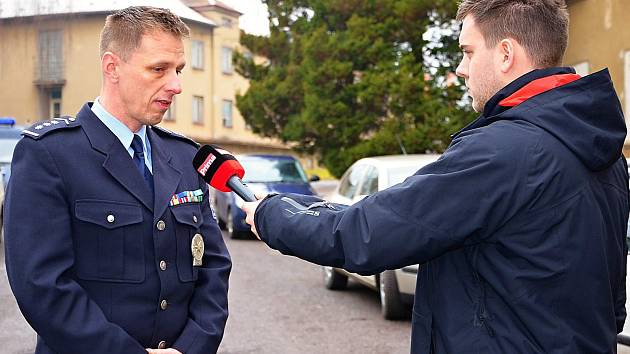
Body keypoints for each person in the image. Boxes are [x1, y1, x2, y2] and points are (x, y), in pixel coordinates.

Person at [242, 0, 629, 352]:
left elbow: (366, 234)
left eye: (467, 52)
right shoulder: (606, 155)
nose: (460, 68)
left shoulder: (504, 152)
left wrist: (270, 215)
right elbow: (613, 303)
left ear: (506, 53)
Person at [4, 6, 231, 354]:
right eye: (159, 69)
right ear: (112, 67)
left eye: (179, 70)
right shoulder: (50, 155)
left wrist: (192, 346)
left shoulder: (186, 158)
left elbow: (213, 266)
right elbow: (42, 286)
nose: (176, 85)